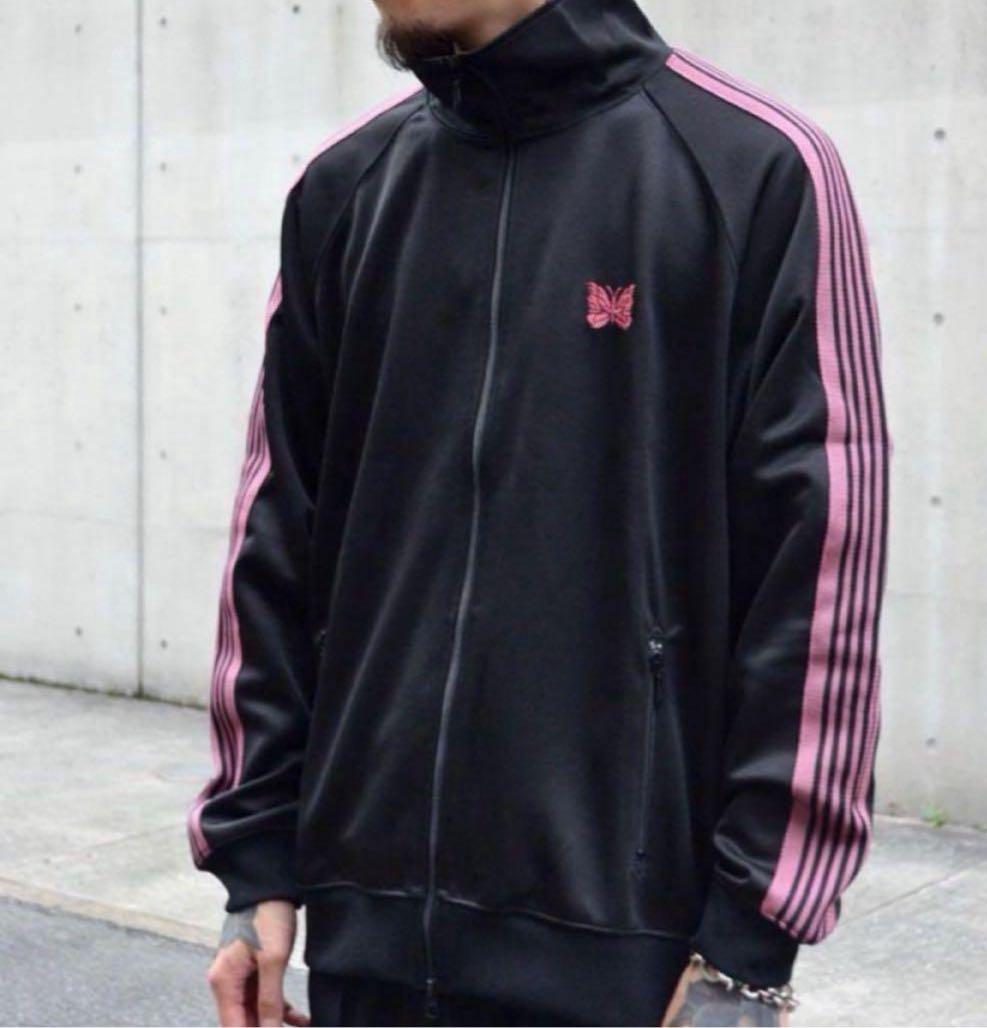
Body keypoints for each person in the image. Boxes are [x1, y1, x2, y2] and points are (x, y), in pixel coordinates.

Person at [190, 0, 890, 1024]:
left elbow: (821, 571)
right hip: (364, 954)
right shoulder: (345, 188)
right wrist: (255, 861)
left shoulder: (754, 169)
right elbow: (276, 539)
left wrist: (749, 947)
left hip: (633, 967)